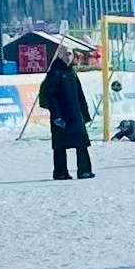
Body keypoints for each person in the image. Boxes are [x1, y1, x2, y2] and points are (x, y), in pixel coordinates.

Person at [39, 45, 95, 181]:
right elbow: (48, 94)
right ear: (60, 55)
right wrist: (56, 115)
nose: (68, 57)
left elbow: (79, 94)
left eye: (70, 54)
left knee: (81, 143)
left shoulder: (71, 72)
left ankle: (84, 171)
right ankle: (60, 172)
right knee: (60, 145)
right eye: (66, 55)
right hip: (61, 116)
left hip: (75, 115)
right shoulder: (55, 72)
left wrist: (85, 113)